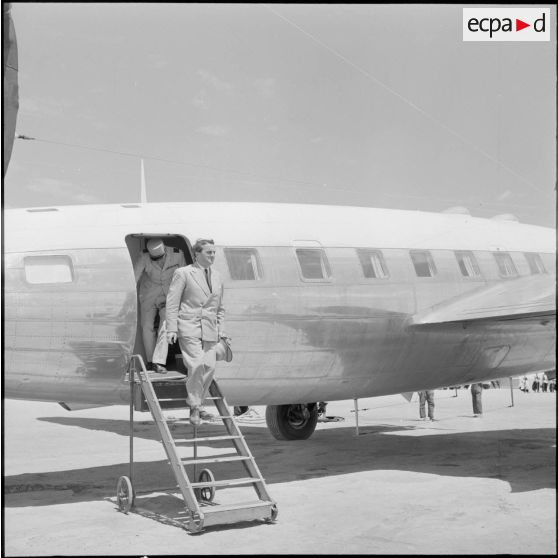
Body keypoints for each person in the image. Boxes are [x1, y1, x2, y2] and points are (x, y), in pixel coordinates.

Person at [165, 239, 228, 425]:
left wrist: (221, 331)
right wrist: (171, 328)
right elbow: (172, 302)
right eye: (208, 252)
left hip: (209, 328)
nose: (212, 255)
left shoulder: (217, 276)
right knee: (197, 364)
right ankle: (194, 406)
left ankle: (199, 405)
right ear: (196, 254)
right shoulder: (183, 273)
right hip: (189, 325)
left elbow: (220, 307)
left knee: (210, 367)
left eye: (214, 252)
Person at [134, 238, 185, 372]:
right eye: (154, 259)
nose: (158, 261)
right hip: (149, 294)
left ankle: (158, 362)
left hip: (169, 294)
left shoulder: (177, 254)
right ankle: (150, 361)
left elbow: (185, 276)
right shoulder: (144, 256)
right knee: (146, 326)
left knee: (165, 325)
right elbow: (135, 276)